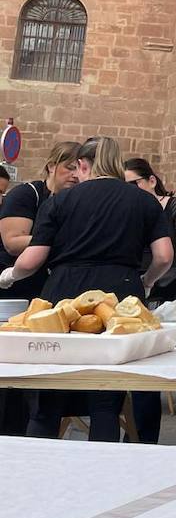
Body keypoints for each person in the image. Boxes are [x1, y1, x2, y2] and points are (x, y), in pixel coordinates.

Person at [2, 136, 173, 442]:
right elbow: (164, 256)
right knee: (106, 400)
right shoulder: (144, 200)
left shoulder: (60, 202)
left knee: (48, 393)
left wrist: (9, 275)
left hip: (64, 292)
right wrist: (147, 281)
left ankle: (36, 468)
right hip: (120, 293)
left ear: (83, 165)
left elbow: (32, 260)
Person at [0, 141, 81, 435]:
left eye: (80, 169)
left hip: (48, 294)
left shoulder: (76, 200)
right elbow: (13, 240)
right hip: (13, 291)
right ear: (51, 166)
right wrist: (55, 239)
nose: (74, 174)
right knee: (12, 375)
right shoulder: (27, 194)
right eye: (68, 167)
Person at [123, 157, 176, 444]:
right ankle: (144, 439)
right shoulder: (131, 210)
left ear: (152, 180)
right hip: (146, 294)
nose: (130, 189)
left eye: (134, 183)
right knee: (145, 371)